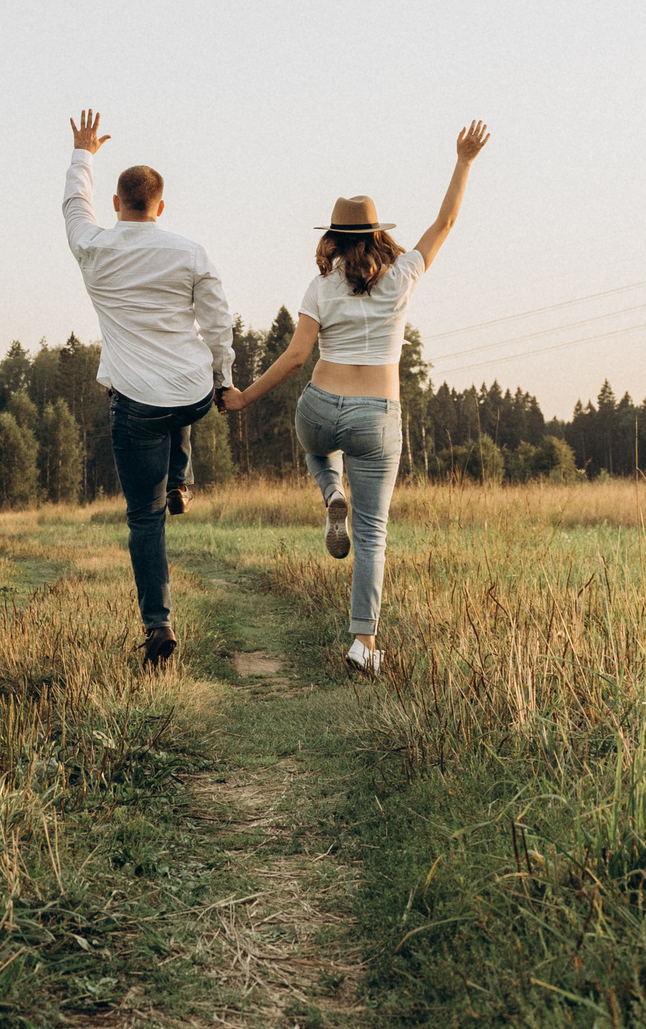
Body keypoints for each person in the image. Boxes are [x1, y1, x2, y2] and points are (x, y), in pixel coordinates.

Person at [221, 121, 492, 678]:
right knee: (372, 536)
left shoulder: (320, 286)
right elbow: (445, 222)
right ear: (378, 234)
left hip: (321, 405)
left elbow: (296, 358)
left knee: (315, 445)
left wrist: (244, 397)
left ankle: (328, 493)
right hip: (377, 416)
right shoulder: (404, 275)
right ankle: (363, 646)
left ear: (334, 238)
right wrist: (464, 160)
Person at [63, 110, 238, 666]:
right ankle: (181, 479)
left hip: (135, 404)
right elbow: (217, 324)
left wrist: (83, 153)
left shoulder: (94, 247)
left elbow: (73, 207)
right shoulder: (189, 252)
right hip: (189, 394)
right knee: (181, 402)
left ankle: (158, 626)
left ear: (118, 205)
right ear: (160, 207)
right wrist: (224, 379)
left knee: (144, 519)